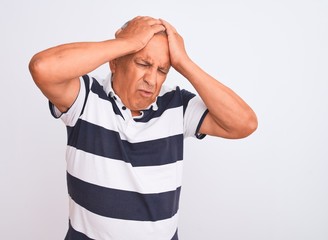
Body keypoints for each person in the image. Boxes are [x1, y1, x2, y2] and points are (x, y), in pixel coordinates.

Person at [29, 16, 257, 240]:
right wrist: (128, 43)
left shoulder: (177, 104)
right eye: (143, 63)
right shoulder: (86, 98)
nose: (152, 80)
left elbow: (244, 123)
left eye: (162, 70)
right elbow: (42, 67)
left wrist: (184, 63)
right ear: (115, 62)